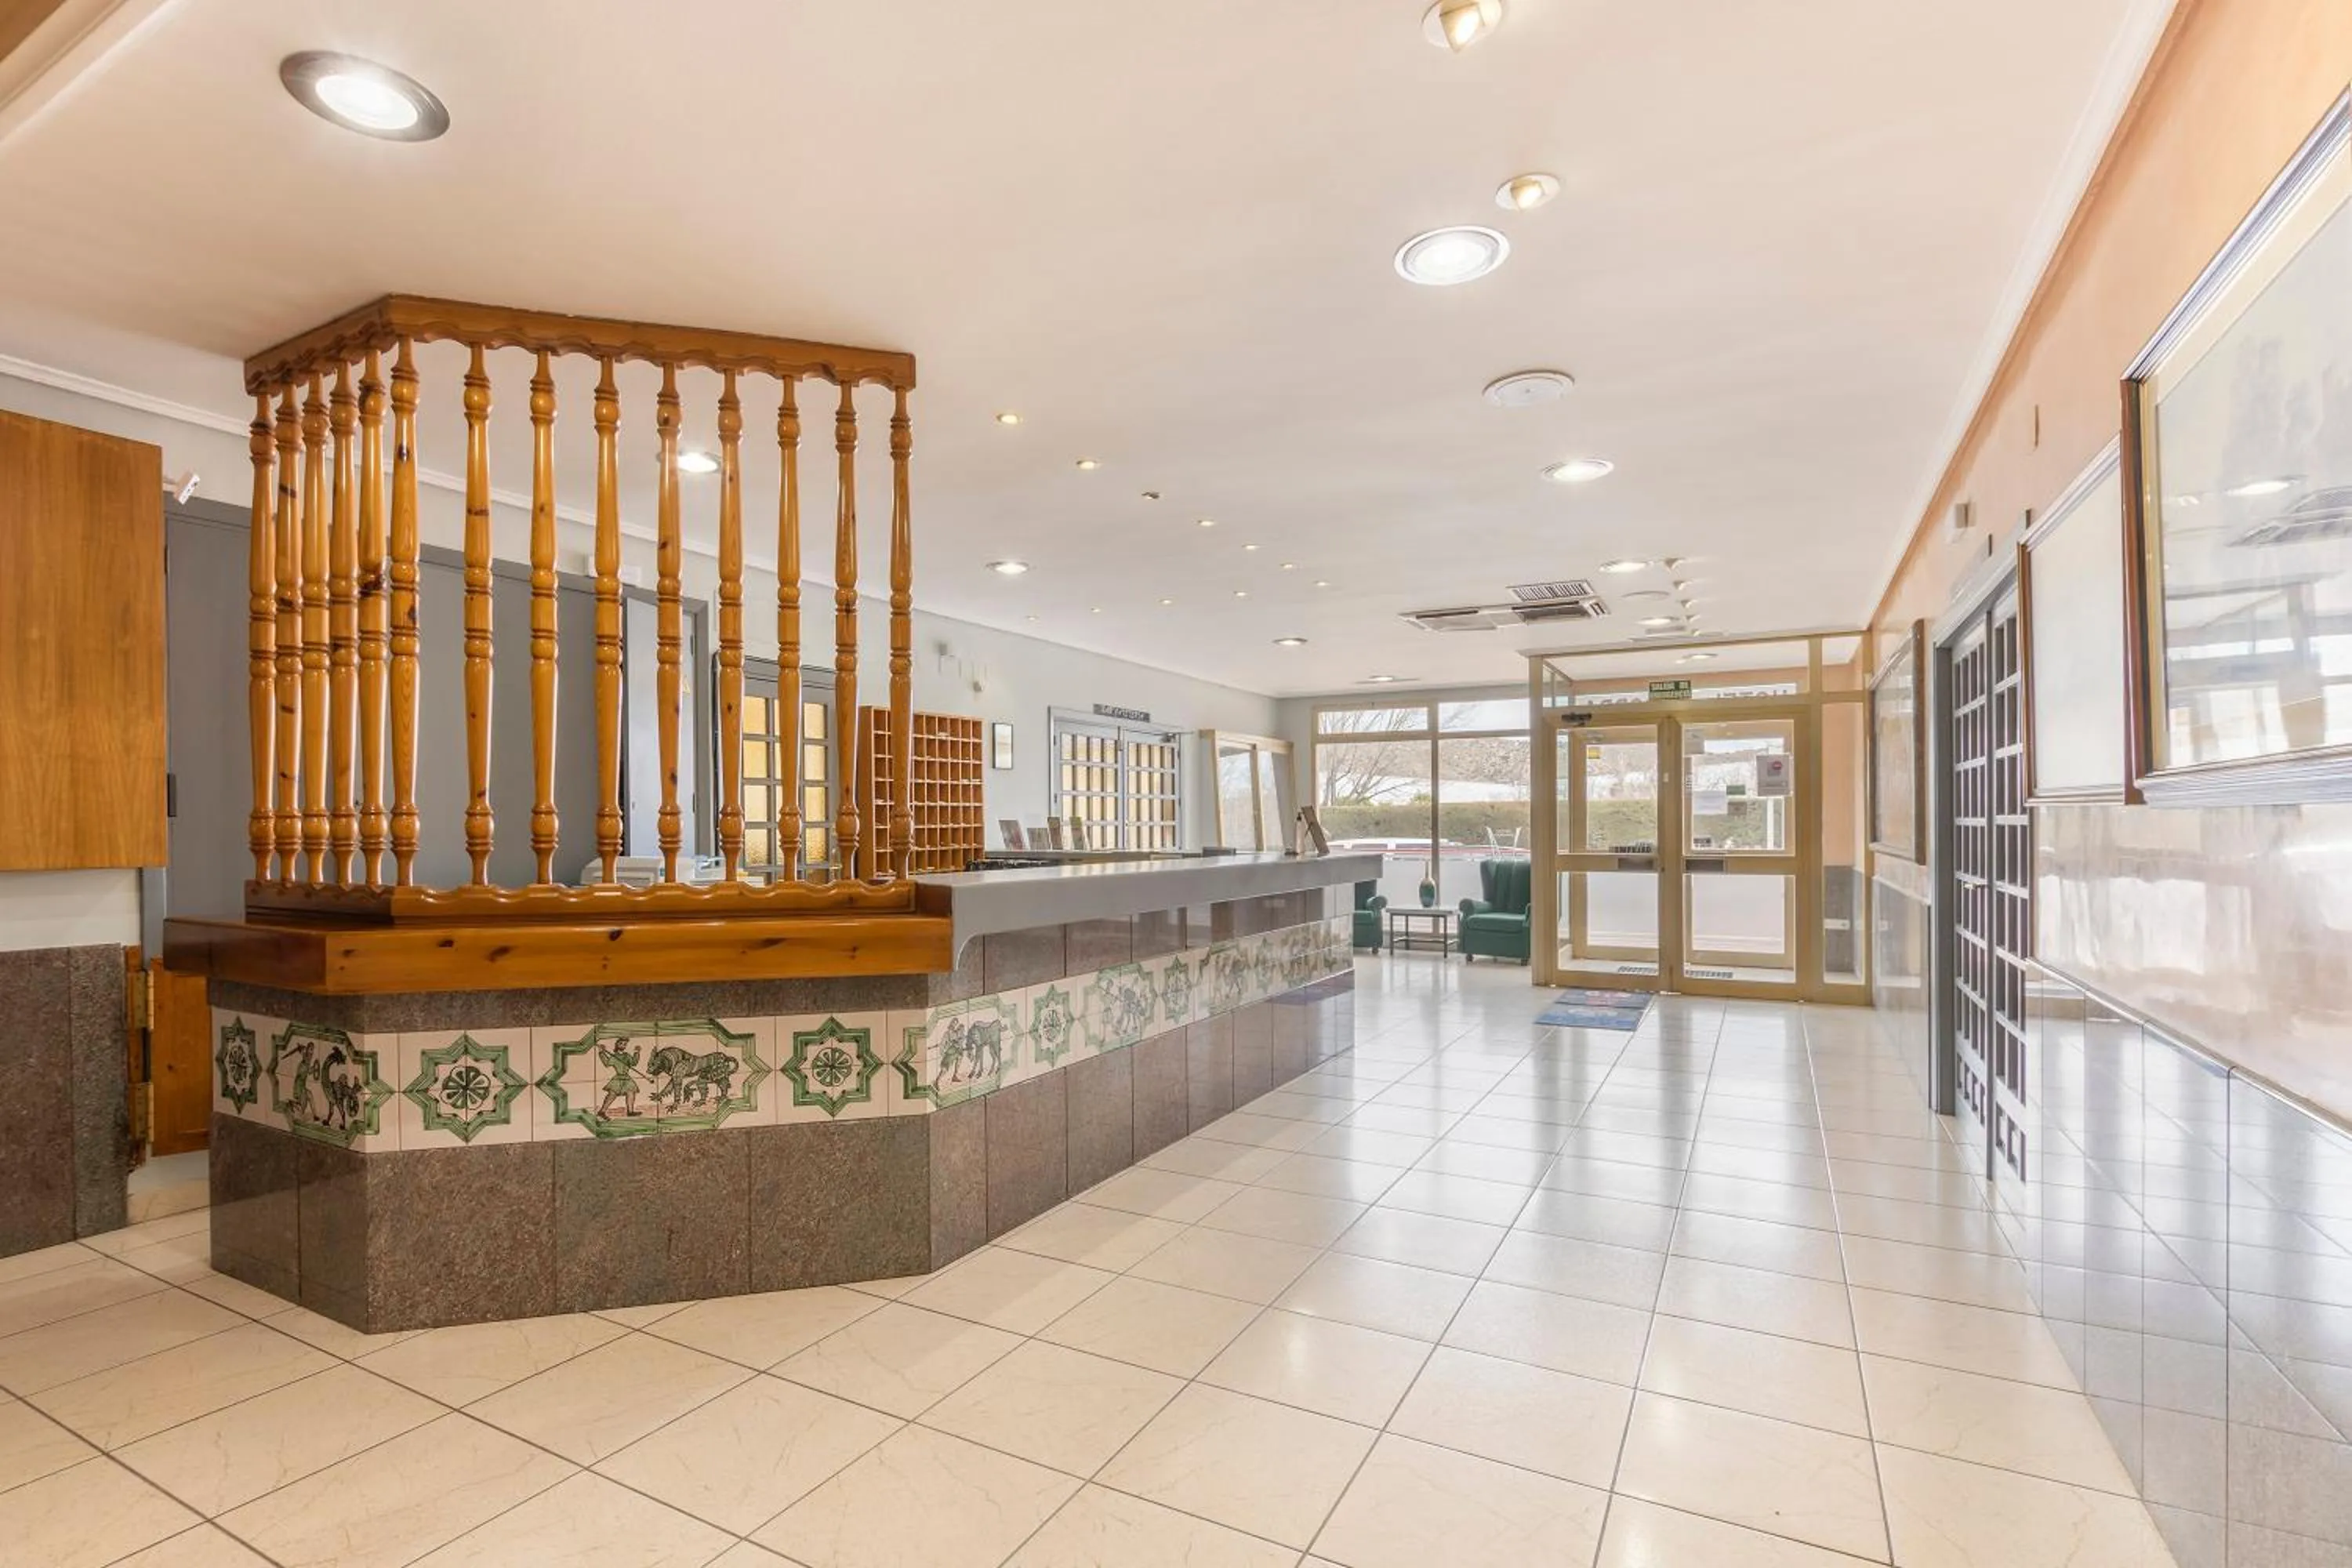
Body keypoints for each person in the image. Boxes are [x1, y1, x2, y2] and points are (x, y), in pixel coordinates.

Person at [597, 1036, 642, 1119]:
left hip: (627, 1078)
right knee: (612, 1094)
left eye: (625, 1044)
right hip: (618, 1078)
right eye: (621, 1044)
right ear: (617, 1045)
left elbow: (634, 1063)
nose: (623, 1046)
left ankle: (630, 1111)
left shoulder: (627, 1056)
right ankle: (602, 1111)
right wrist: (601, 1052)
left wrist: (637, 1053)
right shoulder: (614, 1057)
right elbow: (607, 1063)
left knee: (631, 1092)